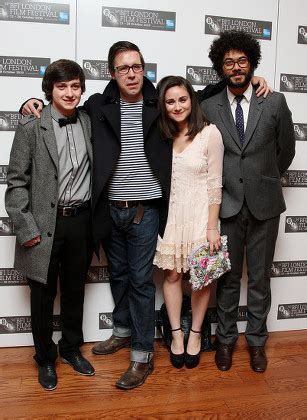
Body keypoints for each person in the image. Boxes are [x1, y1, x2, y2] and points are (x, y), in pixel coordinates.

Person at [19, 42, 270, 388]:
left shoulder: (160, 101)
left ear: (144, 69)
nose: (132, 74)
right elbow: (60, 104)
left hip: (147, 210)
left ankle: (142, 355)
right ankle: (123, 330)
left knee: (140, 281)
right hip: (109, 209)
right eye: (124, 68)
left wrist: (250, 82)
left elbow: (196, 95)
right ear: (112, 73)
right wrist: (28, 103)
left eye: (137, 66)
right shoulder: (97, 104)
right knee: (118, 275)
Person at [201, 30, 295, 373]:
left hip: (265, 205)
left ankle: (256, 341)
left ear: (252, 63)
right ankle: (225, 341)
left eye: (242, 61)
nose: (236, 67)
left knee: (259, 280)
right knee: (226, 279)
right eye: (229, 62)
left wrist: (265, 177)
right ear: (220, 67)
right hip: (225, 206)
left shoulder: (274, 101)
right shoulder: (207, 105)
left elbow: (286, 150)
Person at [5, 59, 95, 391]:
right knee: (42, 296)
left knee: (75, 292)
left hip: (80, 222)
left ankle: (71, 348)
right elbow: (15, 183)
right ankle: (45, 358)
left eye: (75, 86)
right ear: (49, 90)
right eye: (62, 86)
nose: (69, 93)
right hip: (43, 225)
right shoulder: (32, 126)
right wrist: (26, 228)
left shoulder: (88, 121)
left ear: (82, 89)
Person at [154, 76, 224, 369]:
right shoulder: (161, 136)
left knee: (200, 280)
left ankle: (196, 334)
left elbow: (215, 183)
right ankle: (176, 335)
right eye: (170, 101)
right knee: (171, 276)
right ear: (163, 106)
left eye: (182, 99)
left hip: (200, 219)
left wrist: (211, 227)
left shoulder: (210, 134)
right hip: (170, 218)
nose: (177, 106)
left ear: (192, 101)